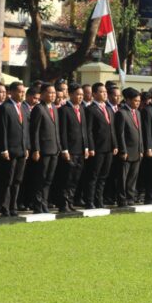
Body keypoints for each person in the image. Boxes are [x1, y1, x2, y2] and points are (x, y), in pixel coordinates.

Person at [0, 82, 30, 217]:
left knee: (17, 180)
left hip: (21, 149)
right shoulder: (5, 107)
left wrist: (26, 147)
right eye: (20, 92)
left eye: (23, 92)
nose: (22, 94)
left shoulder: (24, 108)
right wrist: (4, 149)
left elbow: (25, 129)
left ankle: (13, 206)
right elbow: (2, 130)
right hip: (9, 150)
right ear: (12, 92)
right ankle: (5, 207)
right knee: (7, 180)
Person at [56, 84, 91, 212]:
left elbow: (84, 130)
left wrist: (86, 147)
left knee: (76, 178)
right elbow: (63, 132)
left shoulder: (81, 108)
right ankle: (63, 204)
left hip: (80, 150)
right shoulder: (64, 110)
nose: (80, 97)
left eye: (82, 94)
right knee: (67, 178)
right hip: (69, 150)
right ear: (70, 94)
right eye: (78, 94)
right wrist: (64, 149)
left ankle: (70, 202)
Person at [84, 83, 118, 209]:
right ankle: (90, 201)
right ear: (94, 94)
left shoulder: (108, 109)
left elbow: (112, 128)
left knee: (104, 176)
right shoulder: (90, 109)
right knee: (93, 175)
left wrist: (115, 144)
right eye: (101, 92)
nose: (105, 94)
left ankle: (99, 200)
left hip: (109, 147)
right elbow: (89, 131)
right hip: (97, 148)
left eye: (105, 92)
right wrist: (91, 147)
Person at [29, 83, 61, 214]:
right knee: (40, 178)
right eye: (50, 93)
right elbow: (34, 131)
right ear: (42, 94)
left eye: (54, 93)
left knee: (49, 179)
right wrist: (35, 149)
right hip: (43, 149)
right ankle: (38, 204)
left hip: (54, 149)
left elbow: (56, 129)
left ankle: (44, 203)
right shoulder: (38, 108)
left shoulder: (53, 107)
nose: (53, 95)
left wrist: (59, 146)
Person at [114, 88, 143, 207]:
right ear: (128, 100)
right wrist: (123, 150)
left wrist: (141, 149)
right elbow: (120, 134)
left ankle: (130, 198)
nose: (138, 103)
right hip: (126, 151)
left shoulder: (138, 113)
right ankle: (122, 199)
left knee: (133, 177)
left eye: (139, 101)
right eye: (135, 101)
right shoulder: (121, 113)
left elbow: (140, 132)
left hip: (137, 151)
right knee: (123, 178)